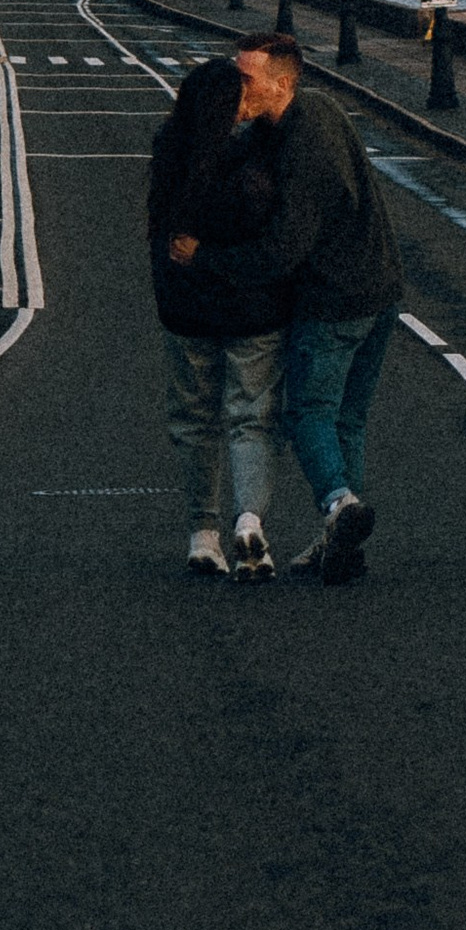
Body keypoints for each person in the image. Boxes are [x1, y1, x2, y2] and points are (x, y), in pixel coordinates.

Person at [166, 31, 405, 584]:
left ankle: (339, 504)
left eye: (245, 79)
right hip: (381, 291)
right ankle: (339, 544)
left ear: (281, 83)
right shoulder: (311, 114)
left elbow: (281, 251)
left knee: (306, 414)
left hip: (335, 299)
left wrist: (204, 257)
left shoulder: (303, 144)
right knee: (346, 421)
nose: (237, 88)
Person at [148, 53, 289, 581]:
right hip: (252, 312)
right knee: (251, 418)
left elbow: (162, 238)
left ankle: (202, 535)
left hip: (186, 310)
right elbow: (268, 241)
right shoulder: (251, 160)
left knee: (194, 420)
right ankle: (249, 521)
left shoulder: (170, 149)